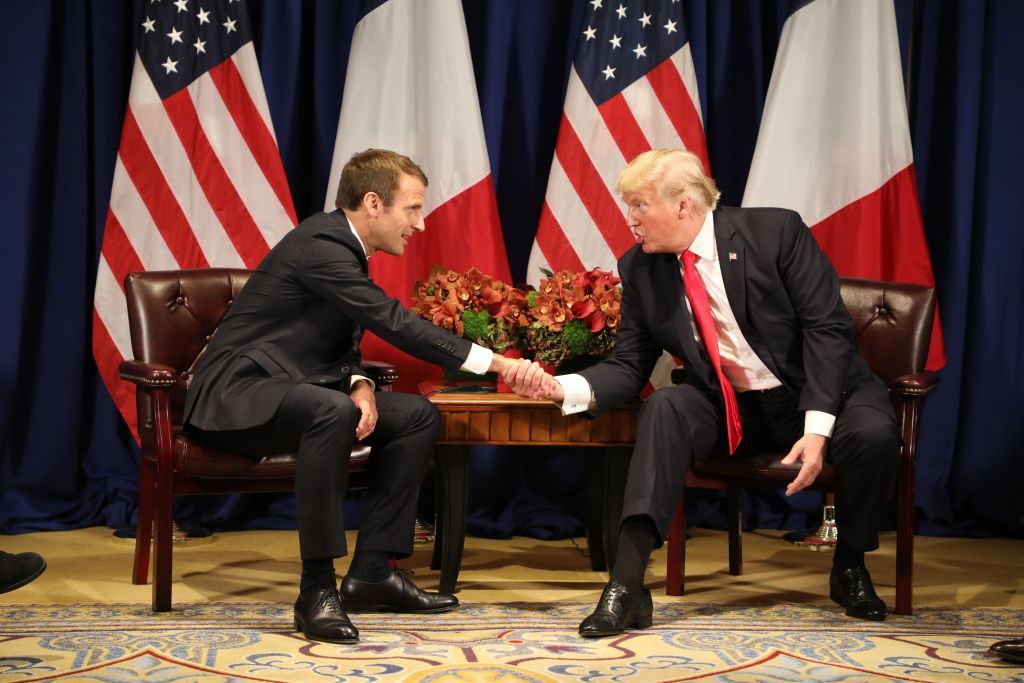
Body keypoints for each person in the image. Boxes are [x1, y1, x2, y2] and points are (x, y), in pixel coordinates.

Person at [505, 148, 900, 637]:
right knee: (666, 405)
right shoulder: (642, 269)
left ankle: (850, 566)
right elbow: (629, 366)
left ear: (683, 206)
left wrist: (817, 429)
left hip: (819, 392)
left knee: (875, 434)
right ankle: (627, 587)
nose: (630, 220)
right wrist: (560, 386)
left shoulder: (775, 233)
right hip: (732, 408)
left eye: (638, 206)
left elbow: (827, 330)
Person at [184, 149, 525, 644]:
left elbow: (325, 342)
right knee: (330, 410)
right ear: (373, 203)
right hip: (238, 394)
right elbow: (392, 322)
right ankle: (316, 590)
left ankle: (371, 573)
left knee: (415, 415)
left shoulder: (344, 247)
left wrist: (359, 383)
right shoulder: (322, 244)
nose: (420, 224)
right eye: (411, 208)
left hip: (293, 388)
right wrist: (497, 363)